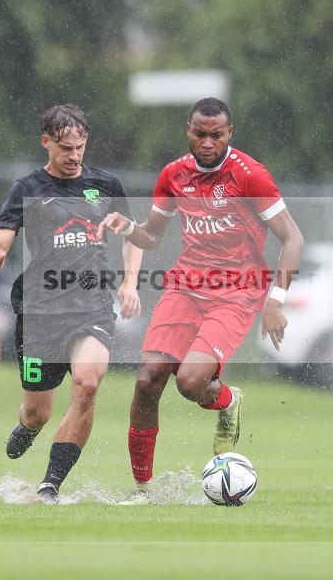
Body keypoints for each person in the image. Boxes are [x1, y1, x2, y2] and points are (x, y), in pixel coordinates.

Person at [96, 97, 305, 503]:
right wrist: (128, 227)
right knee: (147, 379)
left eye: (216, 135)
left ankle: (227, 401)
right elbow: (153, 236)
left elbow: (292, 237)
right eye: (200, 133)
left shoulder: (250, 176)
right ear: (188, 130)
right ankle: (142, 490)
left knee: (190, 383)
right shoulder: (174, 175)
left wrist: (276, 301)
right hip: (184, 287)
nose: (207, 142)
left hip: (236, 294)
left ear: (229, 134)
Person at [0, 104, 143, 503]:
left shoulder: (107, 185)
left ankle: (50, 485)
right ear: (45, 142)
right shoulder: (27, 190)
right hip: (40, 313)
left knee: (87, 383)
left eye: (80, 146)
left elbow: (135, 235)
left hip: (92, 307)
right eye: (65, 147)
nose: (74, 156)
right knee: (38, 412)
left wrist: (130, 283)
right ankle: (29, 427)